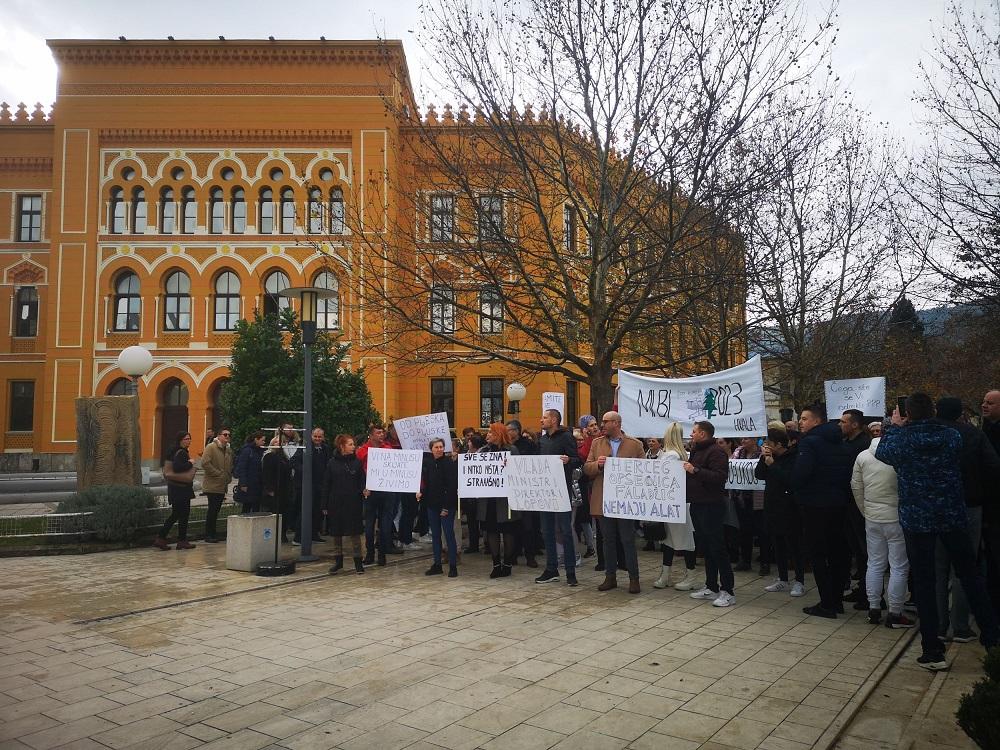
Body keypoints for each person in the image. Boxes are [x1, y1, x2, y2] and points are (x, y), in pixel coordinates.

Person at [876, 393, 999, 670]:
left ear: (906, 412)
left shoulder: (901, 439)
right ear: (932, 410)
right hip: (952, 514)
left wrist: (895, 425)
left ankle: (933, 650)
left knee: (925, 582)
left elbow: (883, 452)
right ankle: (992, 640)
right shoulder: (953, 436)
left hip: (917, 519)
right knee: (969, 574)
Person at [934, 396, 1000, 641]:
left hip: (934, 508)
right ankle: (960, 626)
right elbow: (993, 468)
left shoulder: (926, 434)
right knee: (964, 568)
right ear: (960, 413)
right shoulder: (972, 434)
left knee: (938, 569)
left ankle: (939, 626)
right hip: (969, 507)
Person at [793, 404, 855, 618]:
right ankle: (836, 600)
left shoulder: (809, 443)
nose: (800, 422)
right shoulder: (842, 443)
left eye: (804, 418)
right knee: (837, 555)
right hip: (838, 505)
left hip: (815, 506)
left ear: (817, 421)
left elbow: (801, 475)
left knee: (819, 555)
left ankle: (827, 604)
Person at [852, 434, 912, 628]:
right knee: (898, 566)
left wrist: (865, 510)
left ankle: (874, 608)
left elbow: (856, 486)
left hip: (872, 517)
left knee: (875, 563)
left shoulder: (863, 456)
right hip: (896, 516)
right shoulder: (901, 455)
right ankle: (895, 612)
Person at [584, 411, 646, 593]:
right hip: (604, 499)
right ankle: (610, 576)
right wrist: (598, 465)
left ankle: (634, 578)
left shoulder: (635, 445)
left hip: (625, 500)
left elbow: (645, 471)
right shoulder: (597, 443)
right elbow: (587, 467)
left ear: (617, 423)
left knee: (627, 539)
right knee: (608, 540)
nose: (602, 425)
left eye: (605, 421)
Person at [684, 421, 736, 607]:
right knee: (706, 547)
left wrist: (695, 470)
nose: (691, 434)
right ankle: (711, 586)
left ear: (703, 434)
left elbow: (719, 477)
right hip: (697, 504)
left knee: (717, 547)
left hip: (712, 506)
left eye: (694, 431)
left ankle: (727, 590)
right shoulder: (697, 450)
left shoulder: (716, 452)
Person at [756, 428, 806, 597]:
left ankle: (799, 580)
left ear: (778, 444)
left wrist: (773, 464)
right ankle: (782, 578)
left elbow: (789, 479)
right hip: (772, 505)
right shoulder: (768, 458)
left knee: (794, 544)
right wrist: (765, 460)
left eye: (768, 443)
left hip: (789, 506)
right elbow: (759, 475)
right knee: (777, 543)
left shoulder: (793, 457)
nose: (765, 446)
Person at [536, 409, 580, 586]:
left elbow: (578, 459)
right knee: (546, 531)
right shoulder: (543, 439)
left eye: (545, 417)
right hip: (545, 491)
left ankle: (570, 572)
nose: (541, 420)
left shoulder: (566, 437)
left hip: (561, 490)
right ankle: (551, 568)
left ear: (554, 420)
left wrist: (569, 460)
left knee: (565, 531)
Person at [654, 422, 699, 591]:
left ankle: (690, 575)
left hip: (676, 504)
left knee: (683, 541)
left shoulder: (671, 455)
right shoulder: (674, 453)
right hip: (673, 503)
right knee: (669, 540)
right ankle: (666, 575)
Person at [478, 424, 520, 578]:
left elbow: (518, 471)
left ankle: (507, 564)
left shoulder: (511, 450)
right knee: (492, 531)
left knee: (508, 531)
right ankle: (496, 564)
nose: (487, 434)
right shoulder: (483, 451)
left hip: (505, 499)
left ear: (498, 434)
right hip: (489, 499)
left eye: (490, 432)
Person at [840, 409, 872, 609]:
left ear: (854, 425)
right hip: (848, 502)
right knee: (857, 549)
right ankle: (863, 589)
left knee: (864, 549)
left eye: (844, 422)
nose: (840, 425)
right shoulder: (847, 443)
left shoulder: (863, 446)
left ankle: (869, 593)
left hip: (859, 503)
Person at [323, 434, 367, 575]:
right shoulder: (332, 463)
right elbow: (327, 484)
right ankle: (338, 561)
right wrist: (324, 505)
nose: (353, 447)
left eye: (353, 444)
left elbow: (362, 481)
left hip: (353, 502)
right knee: (337, 533)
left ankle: (358, 562)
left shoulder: (357, 462)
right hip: (336, 502)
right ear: (342, 446)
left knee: (355, 533)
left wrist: (364, 490)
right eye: (350, 444)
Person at [417, 437, 460, 577]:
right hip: (432, 505)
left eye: (441, 446)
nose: (439, 449)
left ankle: (453, 566)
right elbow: (428, 484)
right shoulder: (429, 464)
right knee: (436, 536)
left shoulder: (449, 464)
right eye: (436, 447)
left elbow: (452, 486)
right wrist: (421, 493)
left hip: (446, 506)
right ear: (431, 449)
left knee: (449, 535)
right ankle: (437, 564)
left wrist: (446, 507)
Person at [356, 423, 396, 566]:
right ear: (371, 435)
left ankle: (382, 553)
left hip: (386, 492)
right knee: (369, 526)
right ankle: (370, 553)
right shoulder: (363, 450)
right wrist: (362, 488)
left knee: (385, 526)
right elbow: (358, 471)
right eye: (378, 433)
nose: (381, 435)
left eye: (382, 433)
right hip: (370, 492)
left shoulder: (388, 448)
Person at [154, 431, 197, 550]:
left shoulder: (173, 451)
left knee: (177, 514)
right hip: (181, 489)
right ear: (180, 440)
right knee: (181, 515)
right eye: (186, 439)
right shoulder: (181, 453)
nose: (188, 441)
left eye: (189, 438)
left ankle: (165, 538)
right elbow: (178, 468)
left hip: (175, 488)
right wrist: (190, 463)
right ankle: (177, 540)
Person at [731, 437, 769, 575]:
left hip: (758, 496)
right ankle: (745, 560)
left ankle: (765, 562)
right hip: (741, 496)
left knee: (761, 530)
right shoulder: (738, 452)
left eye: (746, 439)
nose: (743, 441)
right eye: (742, 438)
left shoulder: (762, 453)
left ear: (754, 440)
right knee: (744, 529)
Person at [507, 419, 541, 567]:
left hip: (526, 490)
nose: (507, 433)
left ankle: (530, 555)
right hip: (511, 490)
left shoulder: (528, 445)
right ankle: (513, 554)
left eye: (509, 430)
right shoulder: (505, 446)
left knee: (528, 526)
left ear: (516, 431)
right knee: (513, 525)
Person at [291, 427, 331, 544]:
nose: (317, 439)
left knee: (317, 511)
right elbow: (293, 461)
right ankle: (298, 537)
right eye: (315, 436)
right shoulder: (304, 448)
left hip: (320, 485)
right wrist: (305, 470)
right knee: (304, 511)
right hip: (306, 485)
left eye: (320, 437)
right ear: (311, 436)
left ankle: (314, 534)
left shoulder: (326, 449)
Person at [980, 390, 1000, 617]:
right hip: (986, 505)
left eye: (990, 403)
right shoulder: (985, 430)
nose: (984, 406)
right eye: (984, 402)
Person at [201, 427, 234, 543]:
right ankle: (209, 534)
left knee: (216, 510)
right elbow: (205, 463)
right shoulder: (211, 447)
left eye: (229, 435)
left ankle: (213, 533)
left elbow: (229, 465)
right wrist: (218, 474)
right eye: (225, 435)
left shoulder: (228, 449)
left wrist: (228, 477)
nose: (227, 437)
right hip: (212, 485)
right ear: (219, 436)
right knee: (212, 510)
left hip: (222, 484)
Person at [262, 432, 294, 542]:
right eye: (276, 441)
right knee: (275, 512)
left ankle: (282, 534)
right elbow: (267, 474)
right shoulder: (269, 456)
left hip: (284, 489)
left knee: (284, 512)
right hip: (274, 489)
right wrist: (270, 489)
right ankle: (274, 535)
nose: (279, 443)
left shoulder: (284, 457)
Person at [233, 431, 266, 513]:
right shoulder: (247, 451)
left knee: (256, 505)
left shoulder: (260, 451)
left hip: (257, 483)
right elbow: (242, 467)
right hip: (249, 483)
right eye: (262, 440)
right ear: (256, 440)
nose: (264, 442)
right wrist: (243, 483)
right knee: (247, 506)